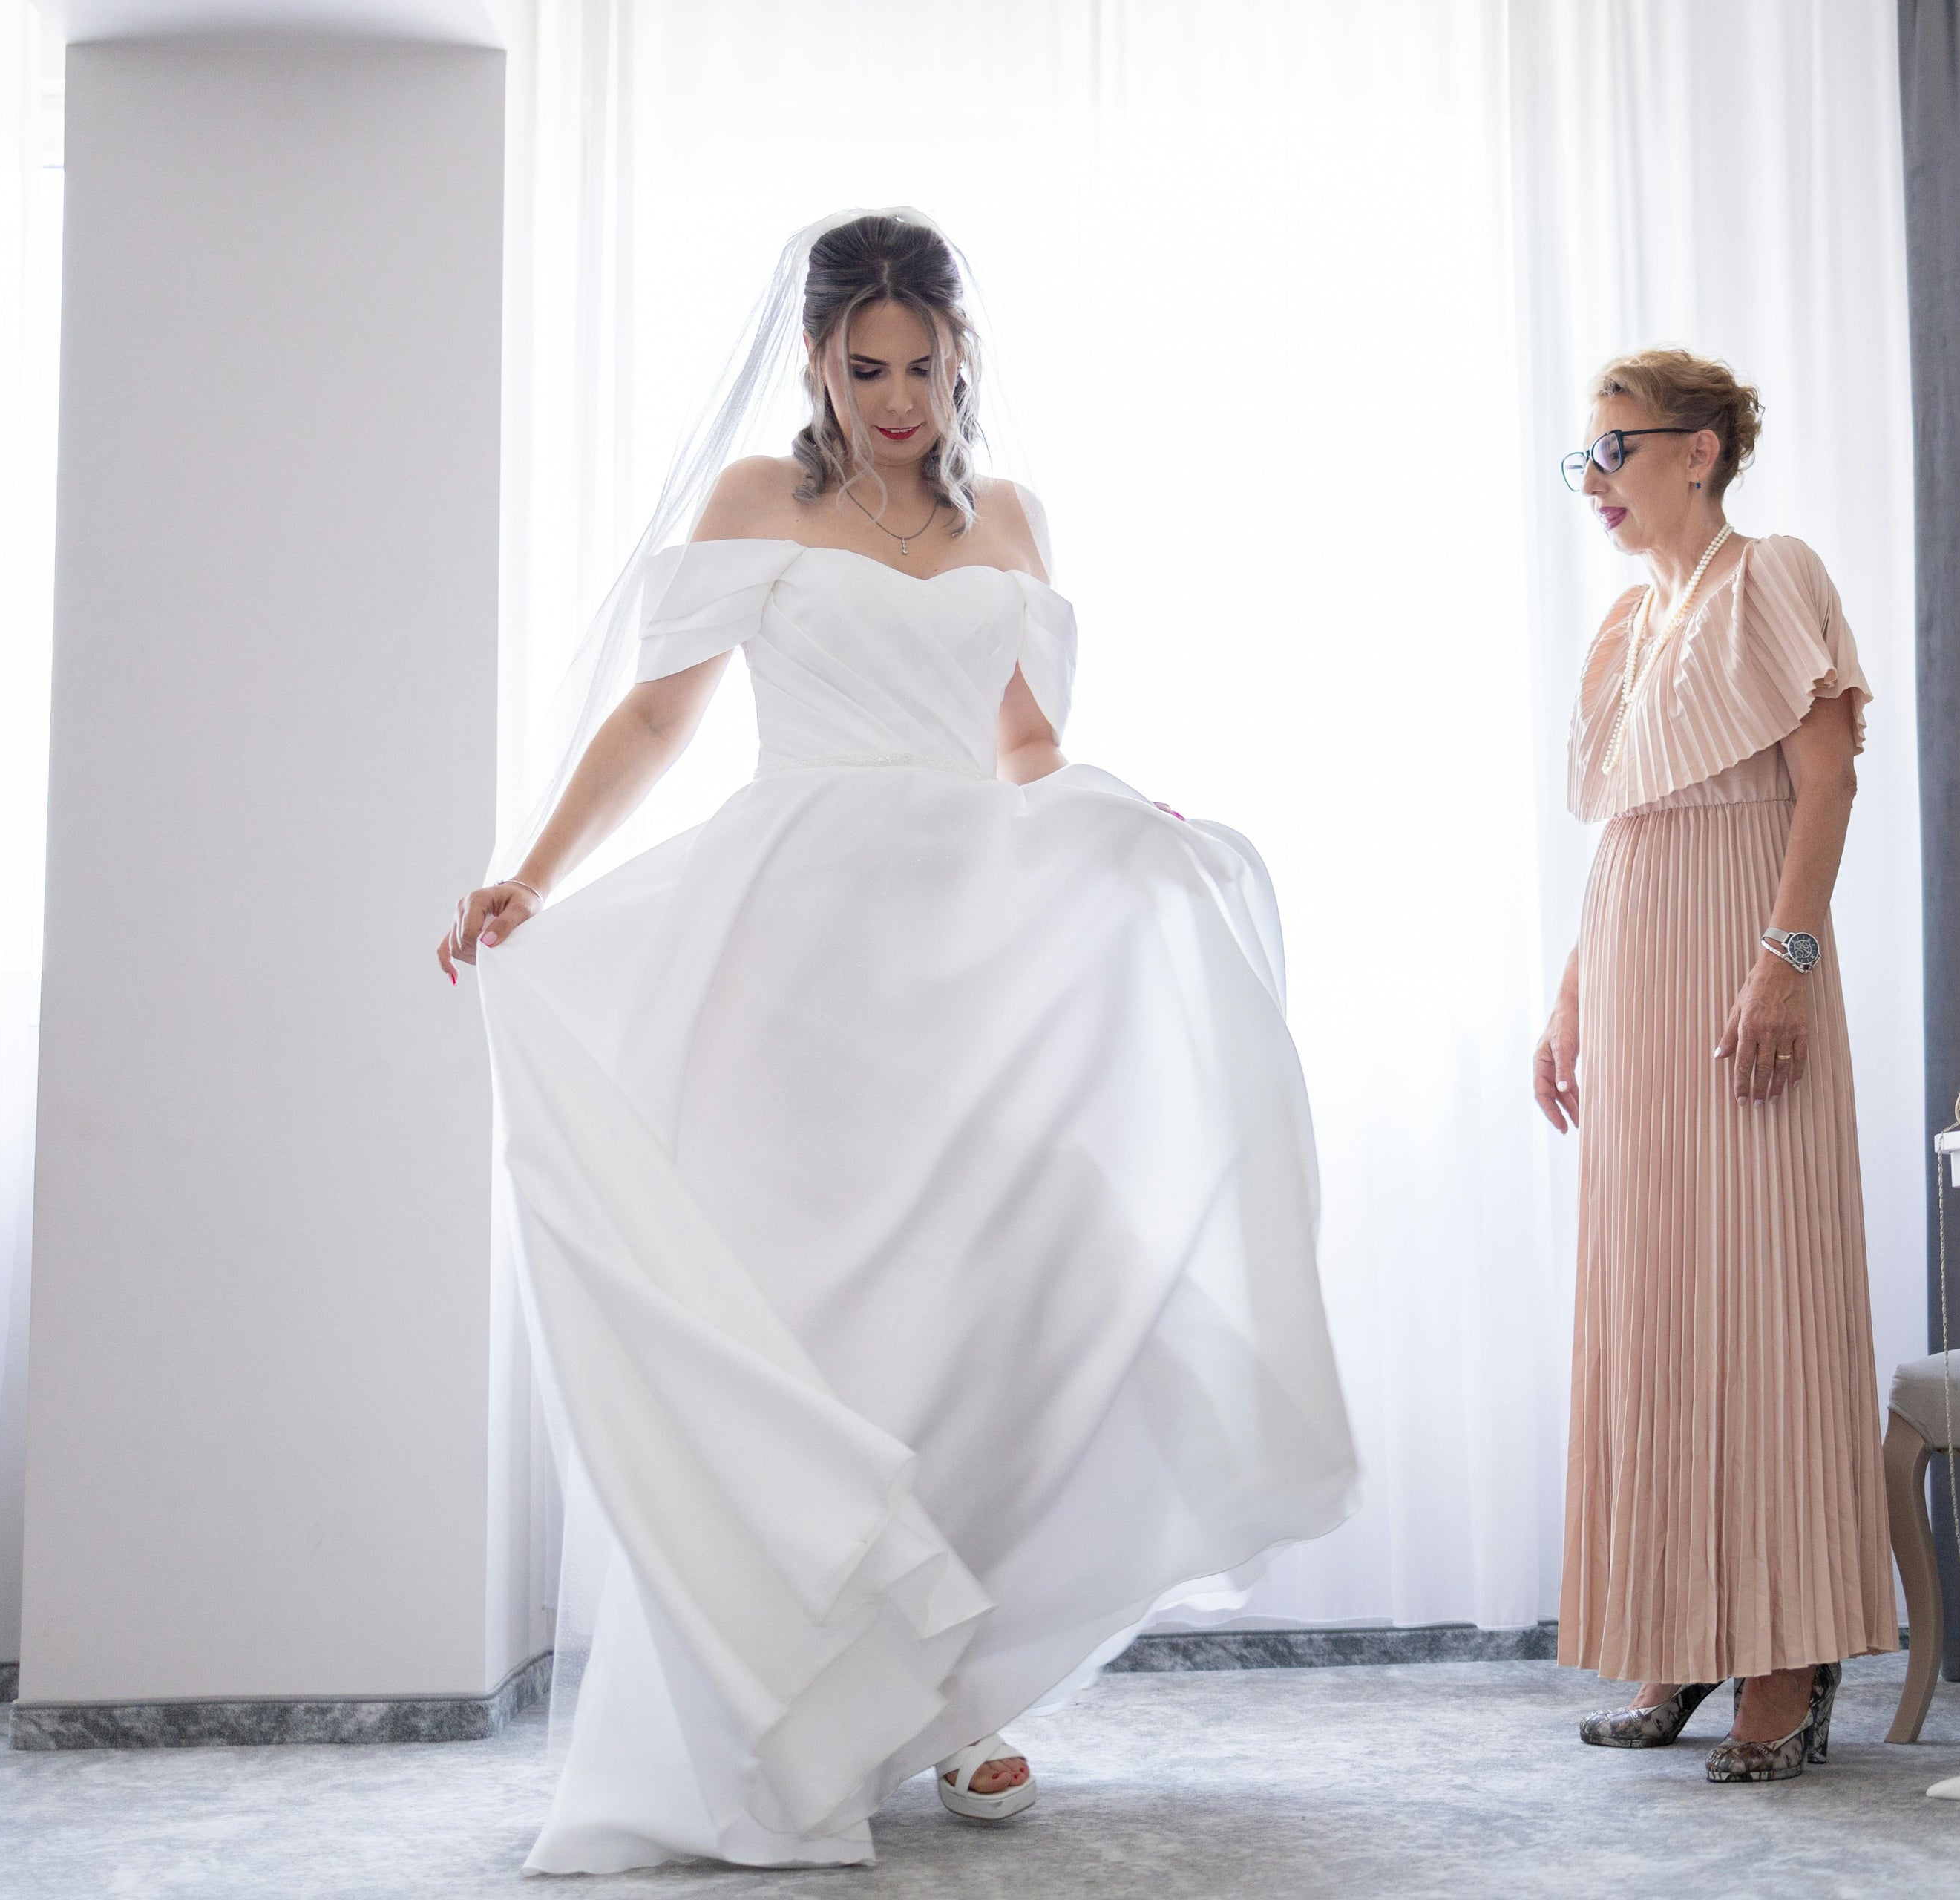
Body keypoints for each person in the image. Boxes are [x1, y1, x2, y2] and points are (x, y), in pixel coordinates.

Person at [439, 211, 1354, 1870]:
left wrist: (1101, 819)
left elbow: (1020, 736)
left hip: (970, 940)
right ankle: (817, 1692)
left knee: (1006, 1296)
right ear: (814, 361)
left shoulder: (1007, 516)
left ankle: (953, 1686)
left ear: (959, 355)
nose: (897, 397)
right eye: (865, 368)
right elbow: (664, 713)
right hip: (792, 938)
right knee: (824, 1316)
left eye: (924, 365)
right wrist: (535, 871)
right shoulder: (756, 506)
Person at [1535, 350, 1896, 1783]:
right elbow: (1624, 826)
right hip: (1635, 978)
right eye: (1586, 459)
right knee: (1658, 1305)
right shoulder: (1629, 624)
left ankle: (1789, 1660)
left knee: (1764, 1297)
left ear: (1698, 451)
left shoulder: (1774, 576)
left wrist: (1785, 960)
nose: (1596, 484)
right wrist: (1570, 994)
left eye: (1613, 452)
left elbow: (1828, 781)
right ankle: (1680, 1638)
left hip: (1748, 974)